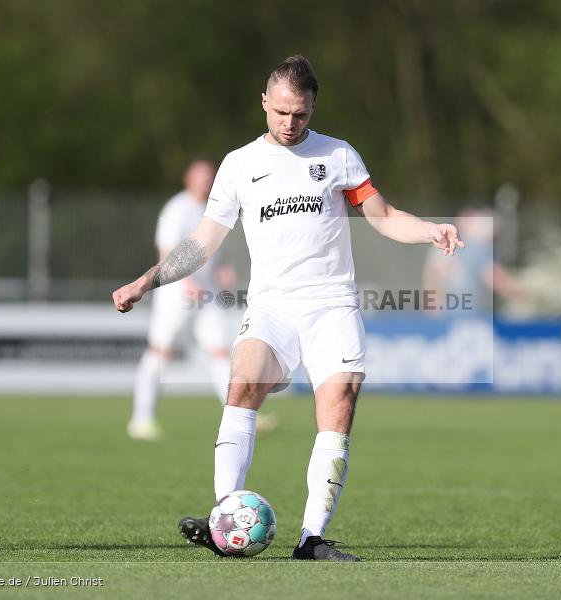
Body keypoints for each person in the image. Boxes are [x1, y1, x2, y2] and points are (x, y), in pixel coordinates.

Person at [112, 55, 463, 561]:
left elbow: (382, 216)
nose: (289, 123)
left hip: (332, 305)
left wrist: (430, 229)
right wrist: (146, 282)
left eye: (299, 114)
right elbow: (203, 242)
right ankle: (224, 518)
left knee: (337, 413)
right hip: (272, 304)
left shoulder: (339, 156)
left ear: (313, 107)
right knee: (242, 383)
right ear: (264, 103)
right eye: (280, 112)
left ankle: (312, 539)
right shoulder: (239, 165)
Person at [127, 160, 233, 441]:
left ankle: (237, 416)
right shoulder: (177, 209)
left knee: (221, 351)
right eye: (199, 177)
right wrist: (185, 282)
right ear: (188, 179)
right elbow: (165, 254)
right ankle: (141, 418)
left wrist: (222, 268)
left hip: (206, 295)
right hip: (176, 295)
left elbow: (211, 249)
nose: (205, 182)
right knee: (160, 352)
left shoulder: (212, 208)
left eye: (209, 177)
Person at [422, 206, 524, 313]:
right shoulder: (473, 248)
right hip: (466, 314)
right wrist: (526, 295)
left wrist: (431, 308)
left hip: (444, 313)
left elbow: (431, 278)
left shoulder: (440, 245)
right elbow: (496, 280)